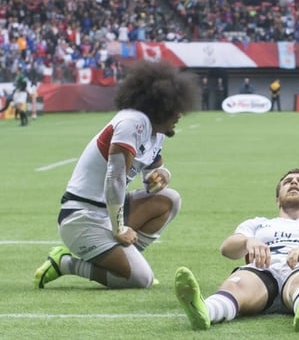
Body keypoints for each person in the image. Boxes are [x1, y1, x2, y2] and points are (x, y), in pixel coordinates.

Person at [33, 60, 198, 290]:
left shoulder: (156, 132)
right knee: (141, 280)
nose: (180, 113)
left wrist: (161, 176)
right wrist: (119, 228)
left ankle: (127, 261)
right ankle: (66, 263)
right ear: (160, 105)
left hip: (105, 211)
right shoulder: (133, 122)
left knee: (170, 199)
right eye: (175, 107)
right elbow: (115, 178)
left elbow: (153, 173)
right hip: (83, 216)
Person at [173, 168, 299, 332]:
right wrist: (247, 242)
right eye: (288, 181)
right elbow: (227, 249)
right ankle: (205, 311)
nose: (294, 182)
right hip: (262, 271)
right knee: (237, 284)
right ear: (277, 199)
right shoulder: (258, 223)